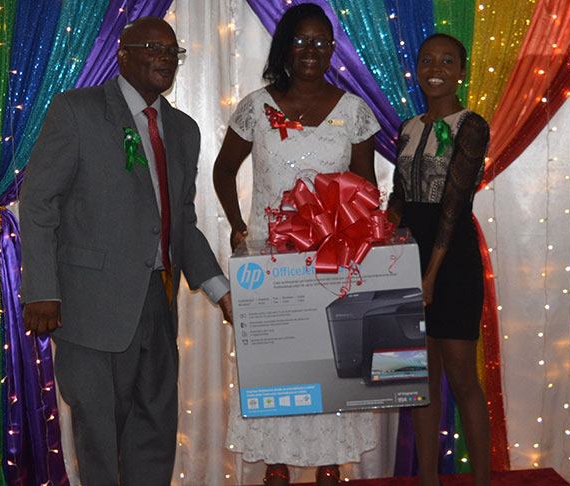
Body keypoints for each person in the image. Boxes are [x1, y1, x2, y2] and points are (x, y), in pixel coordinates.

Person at [19, 17, 233, 486]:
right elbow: (37, 204)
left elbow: (182, 224)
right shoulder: (77, 110)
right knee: (99, 433)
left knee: (156, 427)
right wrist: (41, 290)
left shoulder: (183, 129)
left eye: (171, 50)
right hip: (89, 304)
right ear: (122, 54)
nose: (164, 58)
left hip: (158, 300)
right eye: (152, 47)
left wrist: (222, 291)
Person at [213, 4, 379, 486]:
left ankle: (329, 462)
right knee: (276, 363)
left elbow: (365, 189)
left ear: (332, 49)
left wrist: (371, 238)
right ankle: (276, 465)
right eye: (302, 41)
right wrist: (237, 225)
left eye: (321, 42)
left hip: (331, 260)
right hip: (270, 260)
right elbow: (224, 170)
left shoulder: (354, 110)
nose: (312, 50)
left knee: (330, 361)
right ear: (286, 45)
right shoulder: (255, 106)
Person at [387, 33, 491, 486]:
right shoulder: (408, 127)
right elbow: (399, 198)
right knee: (420, 384)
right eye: (428, 59)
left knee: (463, 380)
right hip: (411, 260)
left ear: (462, 70)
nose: (436, 68)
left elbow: (452, 205)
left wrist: (429, 276)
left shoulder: (472, 125)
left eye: (448, 60)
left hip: (452, 264)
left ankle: (484, 481)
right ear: (417, 68)